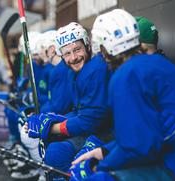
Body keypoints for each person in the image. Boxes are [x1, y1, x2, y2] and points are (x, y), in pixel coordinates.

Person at [70, 9, 175, 181]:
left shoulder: (126, 75)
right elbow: (151, 129)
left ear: (104, 49)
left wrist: (97, 167)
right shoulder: (157, 62)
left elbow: (139, 147)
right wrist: (103, 151)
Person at [26, 22, 112, 179]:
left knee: (67, 159)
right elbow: (80, 112)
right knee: (55, 153)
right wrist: (52, 119)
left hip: (107, 134)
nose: (73, 58)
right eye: (67, 53)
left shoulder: (96, 70)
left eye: (77, 49)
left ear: (87, 45)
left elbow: (91, 121)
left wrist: (52, 127)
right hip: (94, 131)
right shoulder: (73, 72)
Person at [39, 30, 73, 115]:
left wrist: (38, 113)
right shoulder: (58, 69)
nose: (40, 52)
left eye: (43, 48)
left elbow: (59, 106)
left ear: (52, 49)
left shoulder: (59, 71)